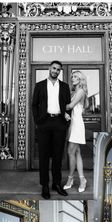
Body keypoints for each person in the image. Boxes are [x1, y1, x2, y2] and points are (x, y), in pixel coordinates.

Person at [32, 60, 71, 199]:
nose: (55, 71)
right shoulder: (40, 85)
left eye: (58, 69)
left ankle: (57, 183)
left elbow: (68, 105)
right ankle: (45, 185)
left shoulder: (65, 87)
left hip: (59, 123)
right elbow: (34, 105)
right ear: (49, 68)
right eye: (54, 68)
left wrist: (66, 119)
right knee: (43, 156)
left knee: (57, 156)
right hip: (44, 122)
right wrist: (38, 121)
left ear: (60, 71)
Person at [63, 70, 88, 193]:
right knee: (77, 152)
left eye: (75, 77)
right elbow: (72, 110)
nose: (72, 78)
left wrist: (56, 105)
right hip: (73, 122)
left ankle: (70, 178)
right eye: (72, 76)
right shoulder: (75, 91)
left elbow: (70, 106)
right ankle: (82, 179)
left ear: (80, 79)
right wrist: (67, 115)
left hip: (77, 124)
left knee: (70, 152)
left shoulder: (81, 91)